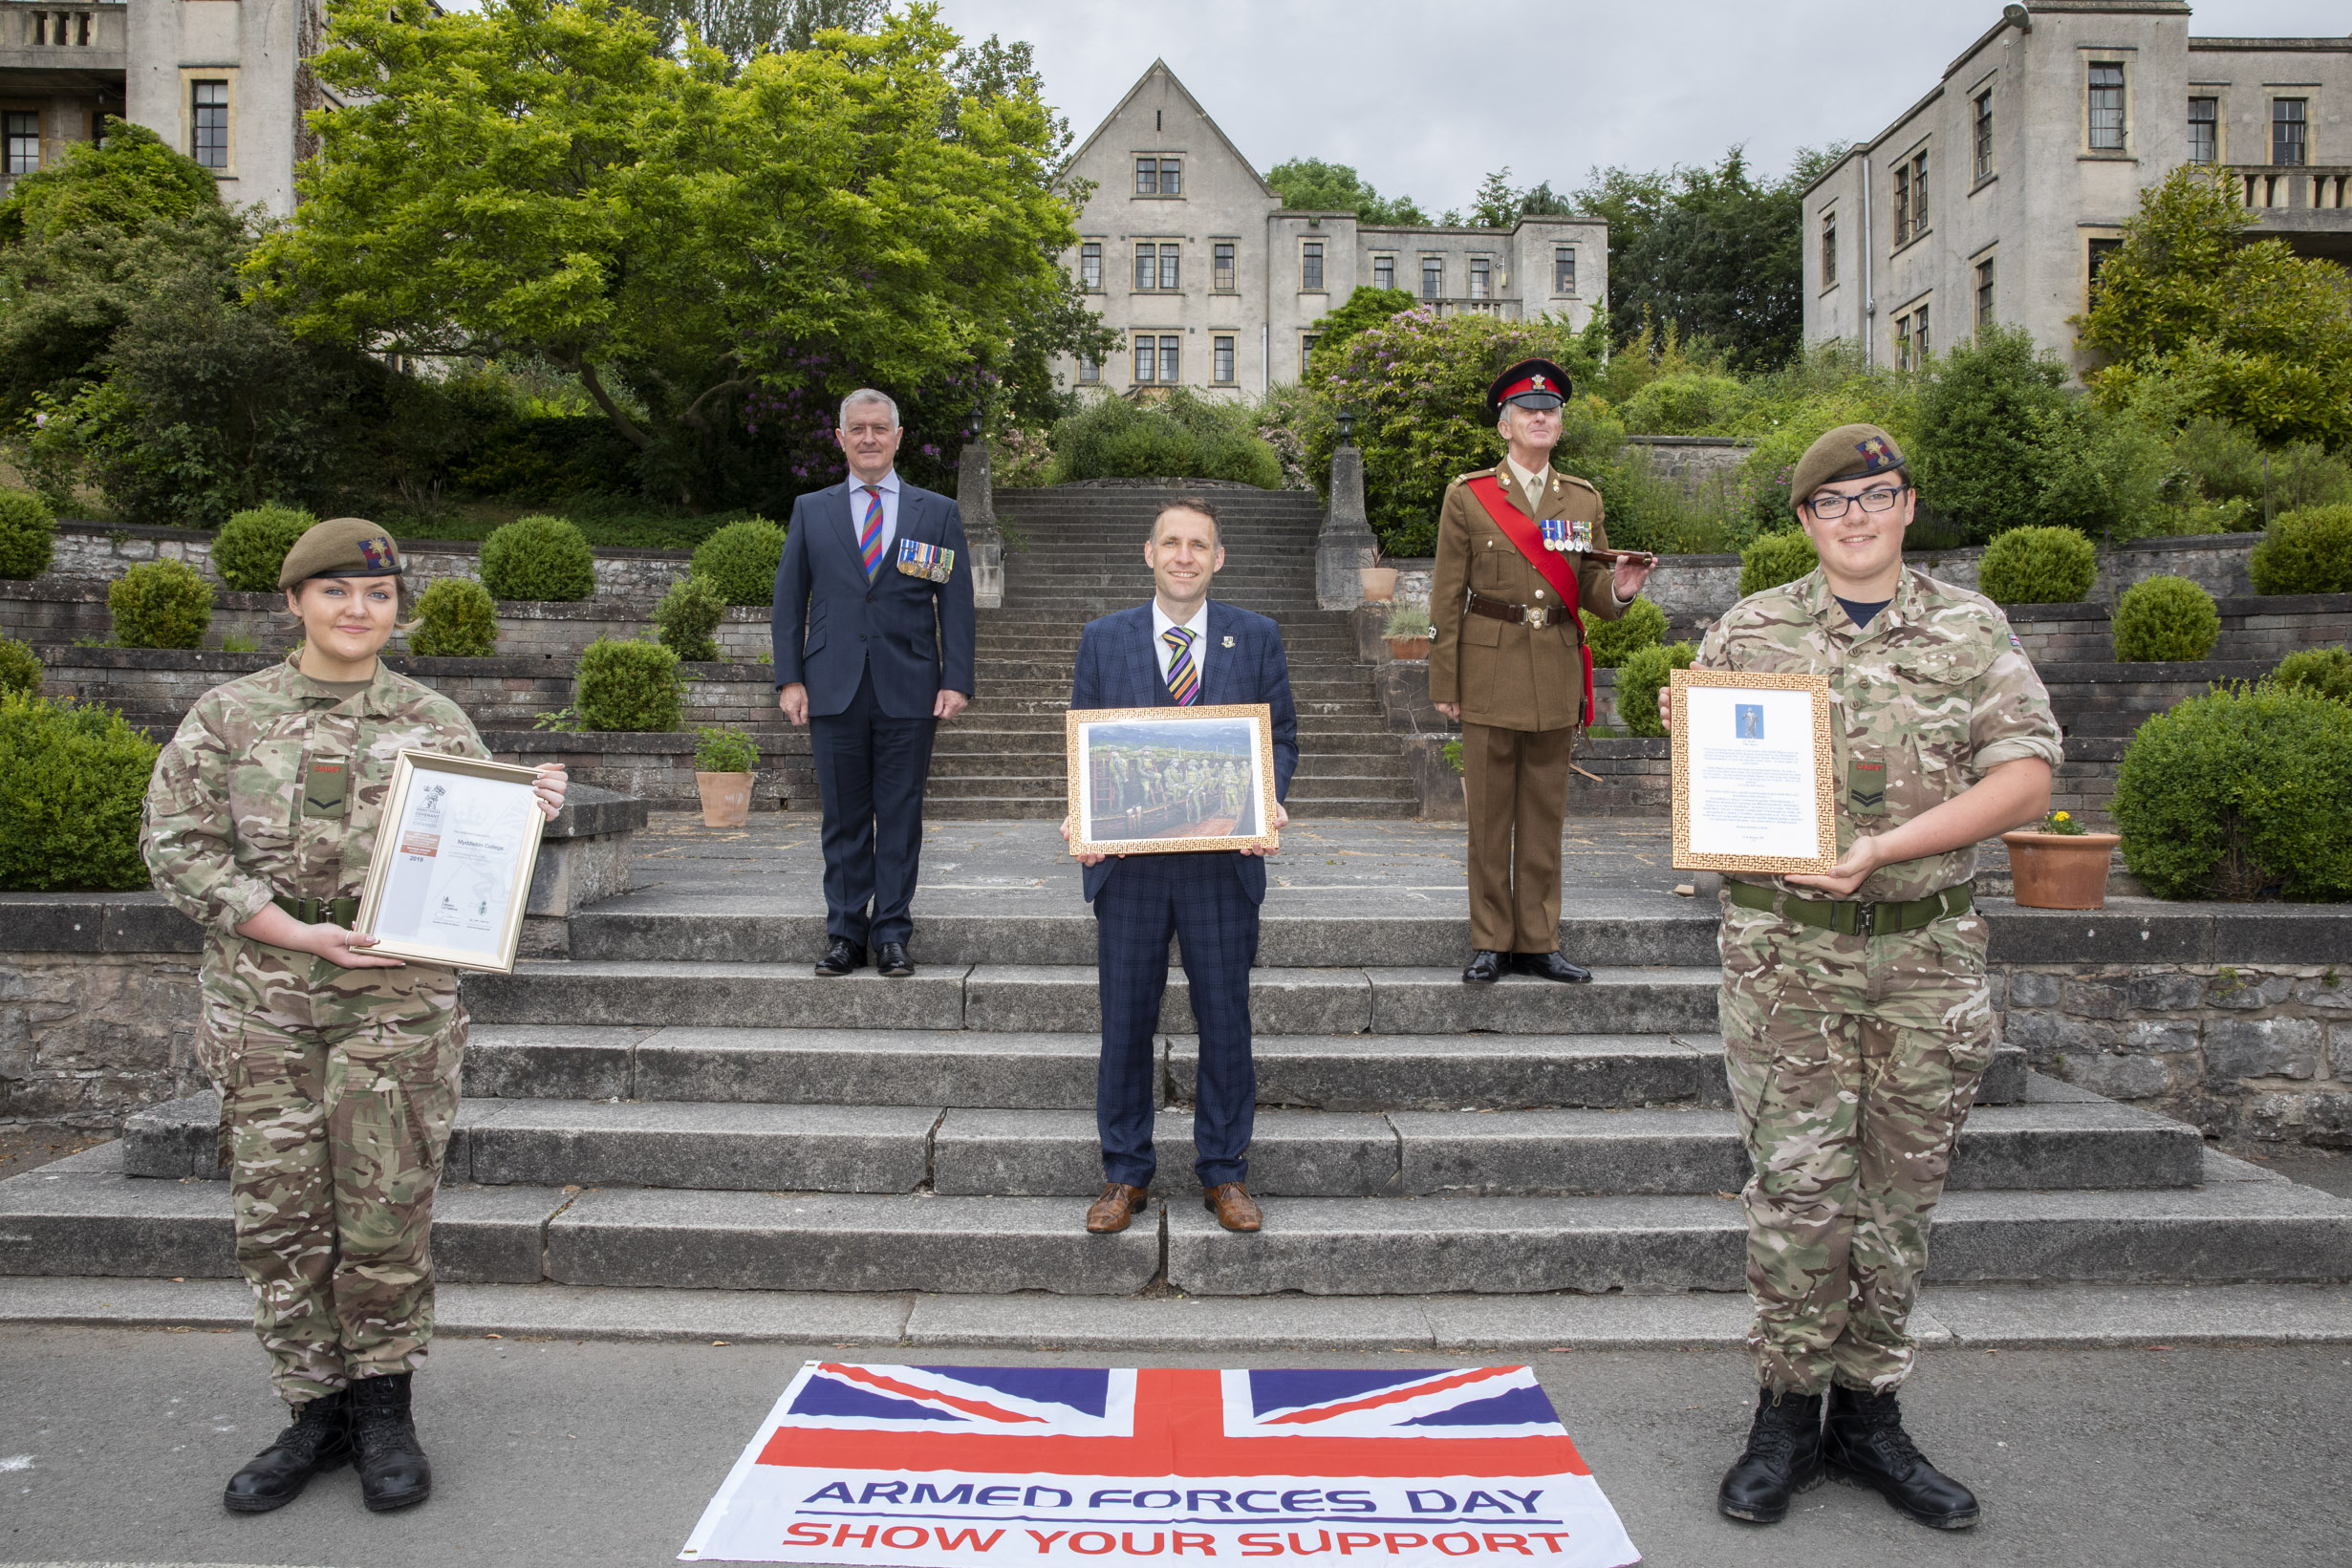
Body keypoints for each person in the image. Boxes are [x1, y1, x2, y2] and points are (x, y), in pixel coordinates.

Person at [1663, 424, 2062, 1531]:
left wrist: (1883, 848)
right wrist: (1686, 735)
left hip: (1925, 955)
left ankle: (1870, 1413)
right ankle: (1785, 1415)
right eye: (1830, 502)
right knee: (1796, 1193)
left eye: (1873, 496)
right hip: (1787, 957)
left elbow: (2026, 780)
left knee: (1898, 1197)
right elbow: (1718, 785)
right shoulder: (1752, 627)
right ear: (1802, 522)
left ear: (1906, 505)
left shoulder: (1971, 628)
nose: (1853, 517)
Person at [140, 518, 569, 1514]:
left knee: (384, 1214)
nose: (356, 611)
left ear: (395, 610)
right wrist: (293, 932)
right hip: (266, 1004)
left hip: (396, 1003)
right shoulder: (229, 716)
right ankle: (310, 1414)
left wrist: (526, 810)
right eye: (334, 592)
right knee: (281, 1215)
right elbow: (176, 843)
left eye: (375, 596)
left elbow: (471, 851)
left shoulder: (433, 721)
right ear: (293, 603)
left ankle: (384, 1412)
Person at [1060, 497, 1298, 1236]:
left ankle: (1225, 1172)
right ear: (1149, 552)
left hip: (1221, 865)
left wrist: (1269, 799)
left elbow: (1280, 736)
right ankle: (1123, 1173)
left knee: (1225, 1019)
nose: (1185, 555)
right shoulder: (1104, 639)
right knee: (1124, 1021)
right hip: (1128, 869)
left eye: (1199, 544)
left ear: (1217, 558)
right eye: (1172, 543)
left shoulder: (1254, 636)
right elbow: (1083, 739)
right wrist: (1080, 810)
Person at [1429, 358, 1656, 984]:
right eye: (1527, 411)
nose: (1539, 418)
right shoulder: (1468, 495)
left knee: (1544, 811)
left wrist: (1624, 588)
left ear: (1558, 424)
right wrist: (1444, 681)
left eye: (1549, 411)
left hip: (1553, 667)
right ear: (1504, 426)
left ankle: (1537, 937)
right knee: (1489, 816)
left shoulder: (1581, 497)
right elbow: (1446, 595)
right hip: (1488, 666)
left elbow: (1591, 589)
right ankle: (1489, 938)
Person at [773, 389, 977, 979]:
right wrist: (790, 678)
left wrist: (955, 679)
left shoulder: (932, 512)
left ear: (898, 436)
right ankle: (844, 934)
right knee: (841, 816)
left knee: (901, 812)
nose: (868, 438)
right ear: (840, 438)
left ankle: (891, 934)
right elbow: (789, 602)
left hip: (910, 685)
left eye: (879, 428)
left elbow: (954, 602)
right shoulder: (812, 510)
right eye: (857, 428)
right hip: (832, 684)